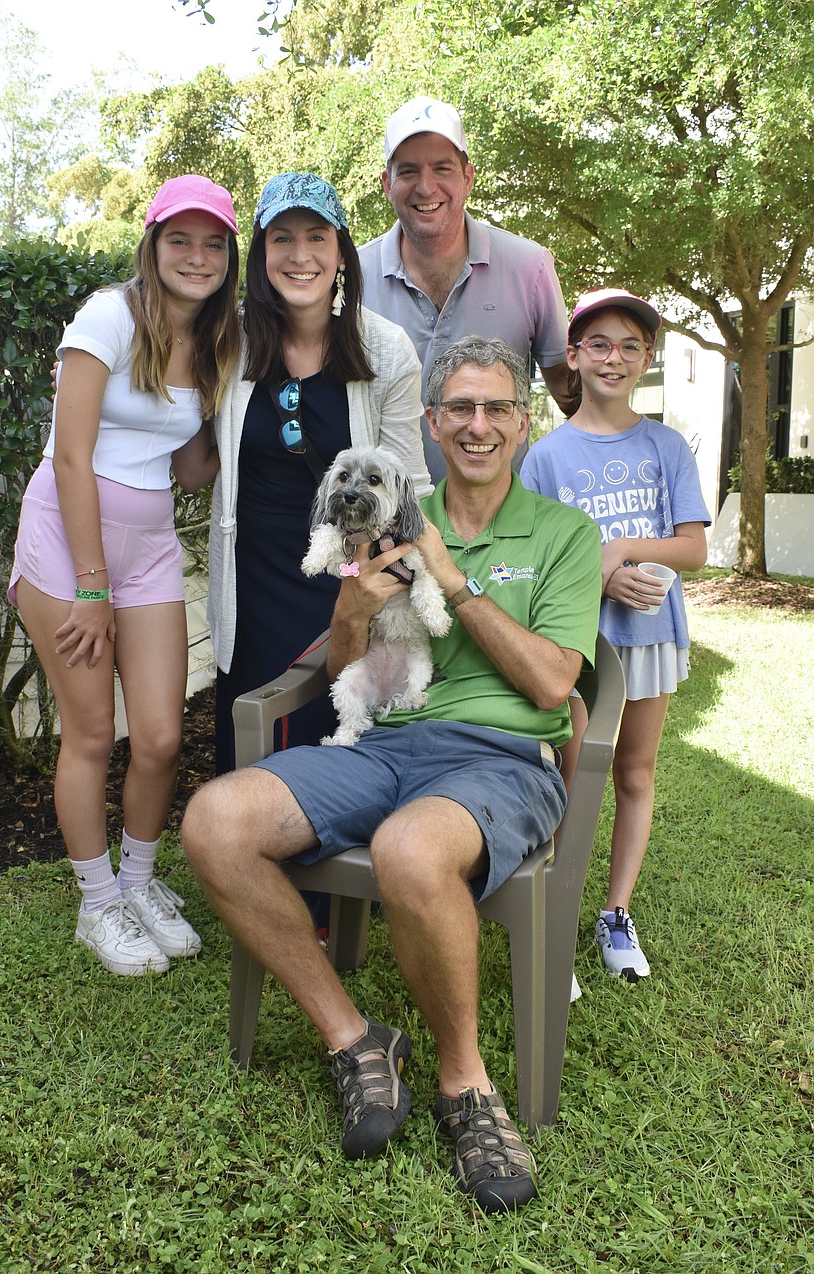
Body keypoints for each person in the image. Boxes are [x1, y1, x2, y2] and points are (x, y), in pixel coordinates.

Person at [183, 336, 602, 1213]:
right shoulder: (382, 510)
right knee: (215, 821)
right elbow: (344, 662)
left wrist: (453, 579)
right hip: (381, 744)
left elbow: (555, 683)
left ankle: (465, 1087)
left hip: (500, 759)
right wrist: (347, 610)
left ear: (523, 424)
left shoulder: (563, 534)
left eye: (496, 409)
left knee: (412, 851)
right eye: (460, 409)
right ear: (434, 423)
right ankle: (356, 1037)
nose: (477, 425)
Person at [9, 175, 241, 976]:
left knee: (162, 734)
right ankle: (98, 902)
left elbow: (188, 467)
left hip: (146, 543)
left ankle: (139, 883)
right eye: (180, 239)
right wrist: (93, 586)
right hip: (70, 546)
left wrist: (233, 436)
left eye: (213, 242)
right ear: (152, 245)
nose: (196, 256)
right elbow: (72, 455)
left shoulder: (217, 338)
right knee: (93, 734)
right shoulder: (108, 315)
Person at [210, 172, 431, 777]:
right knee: (254, 738)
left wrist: (372, 585)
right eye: (282, 238)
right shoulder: (226, 339)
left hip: (346, 571)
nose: (300, 255)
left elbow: (409, 485)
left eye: (317, 237)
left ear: (341, 254)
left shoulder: (384, 350)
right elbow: (155, 377)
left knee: (340, 725)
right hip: (252, 577)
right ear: (260, 254)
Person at [521, 289, 710, 983]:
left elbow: (693, 550)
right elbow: (534, 563)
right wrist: (596, 578)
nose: (614, 358)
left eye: (631, 346)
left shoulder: (666, 446)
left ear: (647, 359)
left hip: (652, 633)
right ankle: (553, 915)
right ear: (573, 356)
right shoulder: (545, 457)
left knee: (634, 773)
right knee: (575, 776)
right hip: (578, 643)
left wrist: (626, 547)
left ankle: (614, 913)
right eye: (599, 343)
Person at [359, 96, 576, 480]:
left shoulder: (531, 267)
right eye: (408, 171)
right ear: (387, 183)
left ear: (468, 178)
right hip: (388, 527)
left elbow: (572, 396)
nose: (426, 187)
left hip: (506, 526)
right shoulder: (351, 276)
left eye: (442, 168)